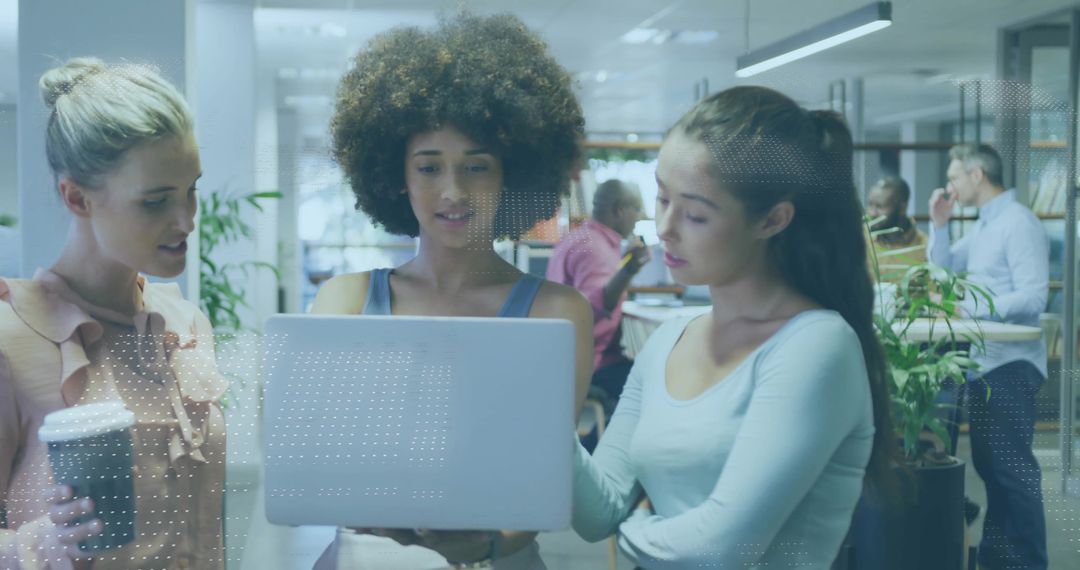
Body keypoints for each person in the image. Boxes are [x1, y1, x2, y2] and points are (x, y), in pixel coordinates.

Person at [310, 12, 592, 570]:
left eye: (477, 167)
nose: (453, 191)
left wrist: (485, 544)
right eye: (429, 167)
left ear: (511, 176)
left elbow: (542, 482)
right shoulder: (343, 301)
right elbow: (321, 463)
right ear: (397, 177)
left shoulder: (558, 313)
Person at [571, 86, 895, 568]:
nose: (665, 227)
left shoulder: (817, 346)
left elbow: (721, 552)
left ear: (772, 220)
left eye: (696, 214)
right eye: (661, 198)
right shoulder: (667, 343)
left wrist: (633, 527)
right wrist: (546, 424)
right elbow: (597, 515)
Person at [0, 58, 227, 569]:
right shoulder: (11, 337)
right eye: (155, 201)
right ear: (76, 197)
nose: (187, 220)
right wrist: (38, 547)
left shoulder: (186, 326)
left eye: (192, 190)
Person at [928, 143, 1049, 570]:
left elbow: (1034, 295)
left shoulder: (1017, 223)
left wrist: (972, 308)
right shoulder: (984, 226)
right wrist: (939, 225)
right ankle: (1001, 561)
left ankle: (1028, 563)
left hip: (1010, 365)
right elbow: (942, 274)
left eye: (955, 176)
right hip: (984, 361)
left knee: (1011, 474)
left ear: (978, 175)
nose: (951, 185)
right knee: (993, 470)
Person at [546, 179, 650, 419]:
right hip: (593, 365)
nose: (638, 217)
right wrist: (628, 270)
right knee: (658, 382)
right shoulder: (596, 249)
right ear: (619, 210)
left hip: (565, 360)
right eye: (637, 210)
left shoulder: (576, 238)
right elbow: (590, 309)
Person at [864, 175, 927, 283]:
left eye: (880, 206)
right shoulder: (861, 239)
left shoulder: (924, 247)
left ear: (902, 207)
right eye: (870, 205)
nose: (872, 213)